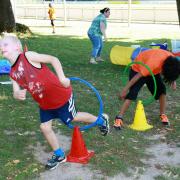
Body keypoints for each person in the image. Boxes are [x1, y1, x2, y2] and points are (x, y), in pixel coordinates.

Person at [0, 35, 110, 170]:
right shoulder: (12, 73)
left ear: (17, 47)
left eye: (5, 44)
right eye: (0, 45)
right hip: (45, 103)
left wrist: (62, 78)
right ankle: (59, 155)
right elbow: (15, 92)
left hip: (61, 96)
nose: (1, 47)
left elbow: (53, 59)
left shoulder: (28, 56)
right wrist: (17, 94)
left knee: (73, 117)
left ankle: (101, 120)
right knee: (45, 127)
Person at [113, 49, 180, 130]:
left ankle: (163, 114)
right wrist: (124, 90)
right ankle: (119, 117)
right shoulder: (153, 63)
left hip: (153, 71)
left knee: (162, 91)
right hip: (138, 70)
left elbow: (173, 69)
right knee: (133, 93)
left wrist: (173, 80)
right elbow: (137, 77)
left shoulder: (172, 60)